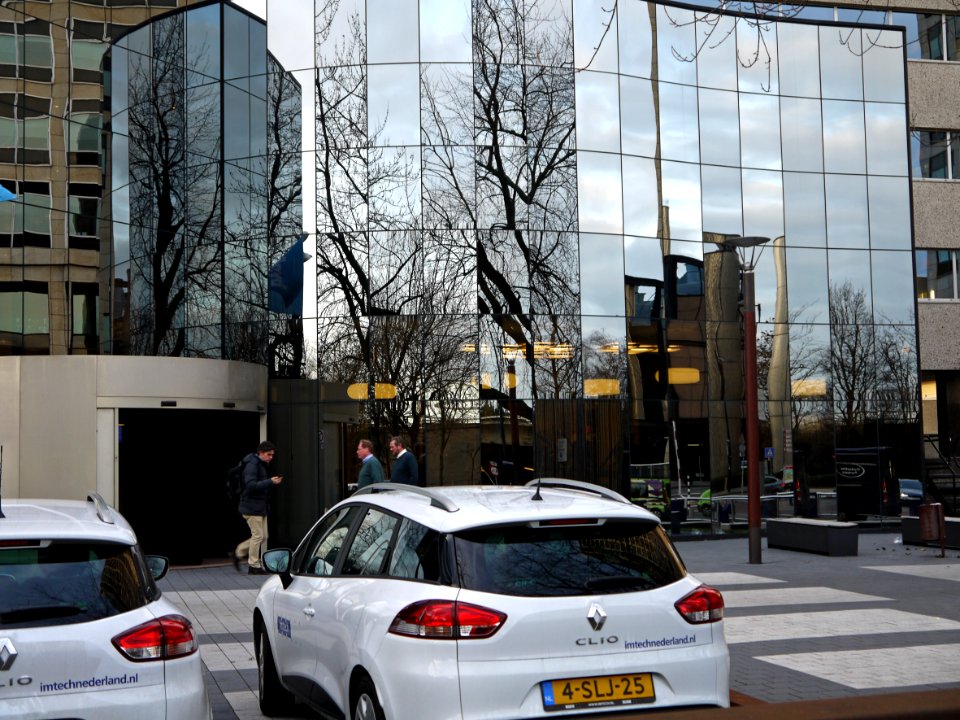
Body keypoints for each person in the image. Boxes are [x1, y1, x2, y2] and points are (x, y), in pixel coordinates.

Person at [234, 441, 283, 575]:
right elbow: (251, 486)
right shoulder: (252, 465)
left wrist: (271, 483)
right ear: (260, 453)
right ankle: (253, 565)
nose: (271, 457)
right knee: (258, 535)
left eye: (272, 455)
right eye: (269, 454)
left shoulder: (259, 464)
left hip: (258, 506)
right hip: (251, 506)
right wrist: (270, 482)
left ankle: (239, 552)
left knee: (263, 536)